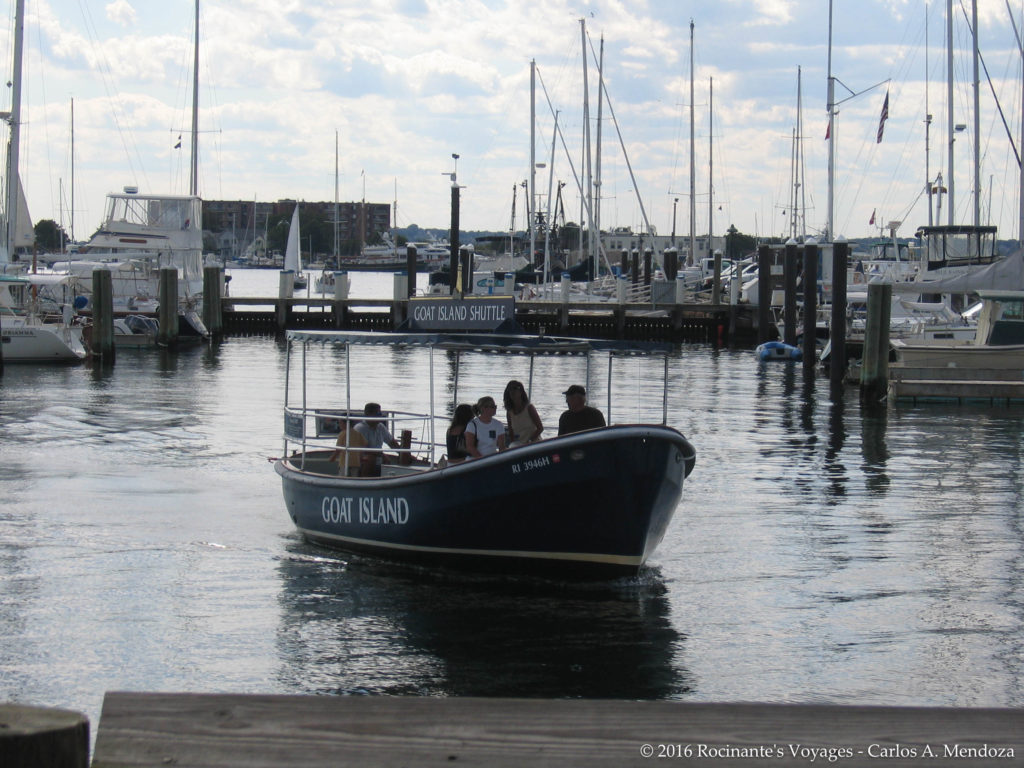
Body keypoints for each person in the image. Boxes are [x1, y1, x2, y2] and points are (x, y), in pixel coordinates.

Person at [354, 402, 400, 476]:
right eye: (378, 414)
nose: (380, 416)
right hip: (362, 461)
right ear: (369, 415)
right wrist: (382, 455)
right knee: (370, 458)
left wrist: (403, 453)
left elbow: (391, 442)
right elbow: (362, 451)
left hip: (379, 459)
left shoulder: (380, 427)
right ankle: (365, 482)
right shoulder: (360, 428)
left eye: (380, 414)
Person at [503, 380, 543, 447]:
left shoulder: (529, 408)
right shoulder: (509, 412)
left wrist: (529, 441)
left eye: (515, 388)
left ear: (521, 391)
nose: (512, 391)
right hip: (519, 446)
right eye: (510, 389)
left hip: (534, 443)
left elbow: (540, 428)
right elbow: (511, 432)